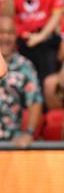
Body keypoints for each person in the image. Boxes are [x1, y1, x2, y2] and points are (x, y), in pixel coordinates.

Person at [0, 16, 42, 148]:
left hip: (11, 142)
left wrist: (29, 133)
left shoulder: (25, 66)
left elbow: (35, 101)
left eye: (10, 33)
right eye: (1, 32)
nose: (5, 37)